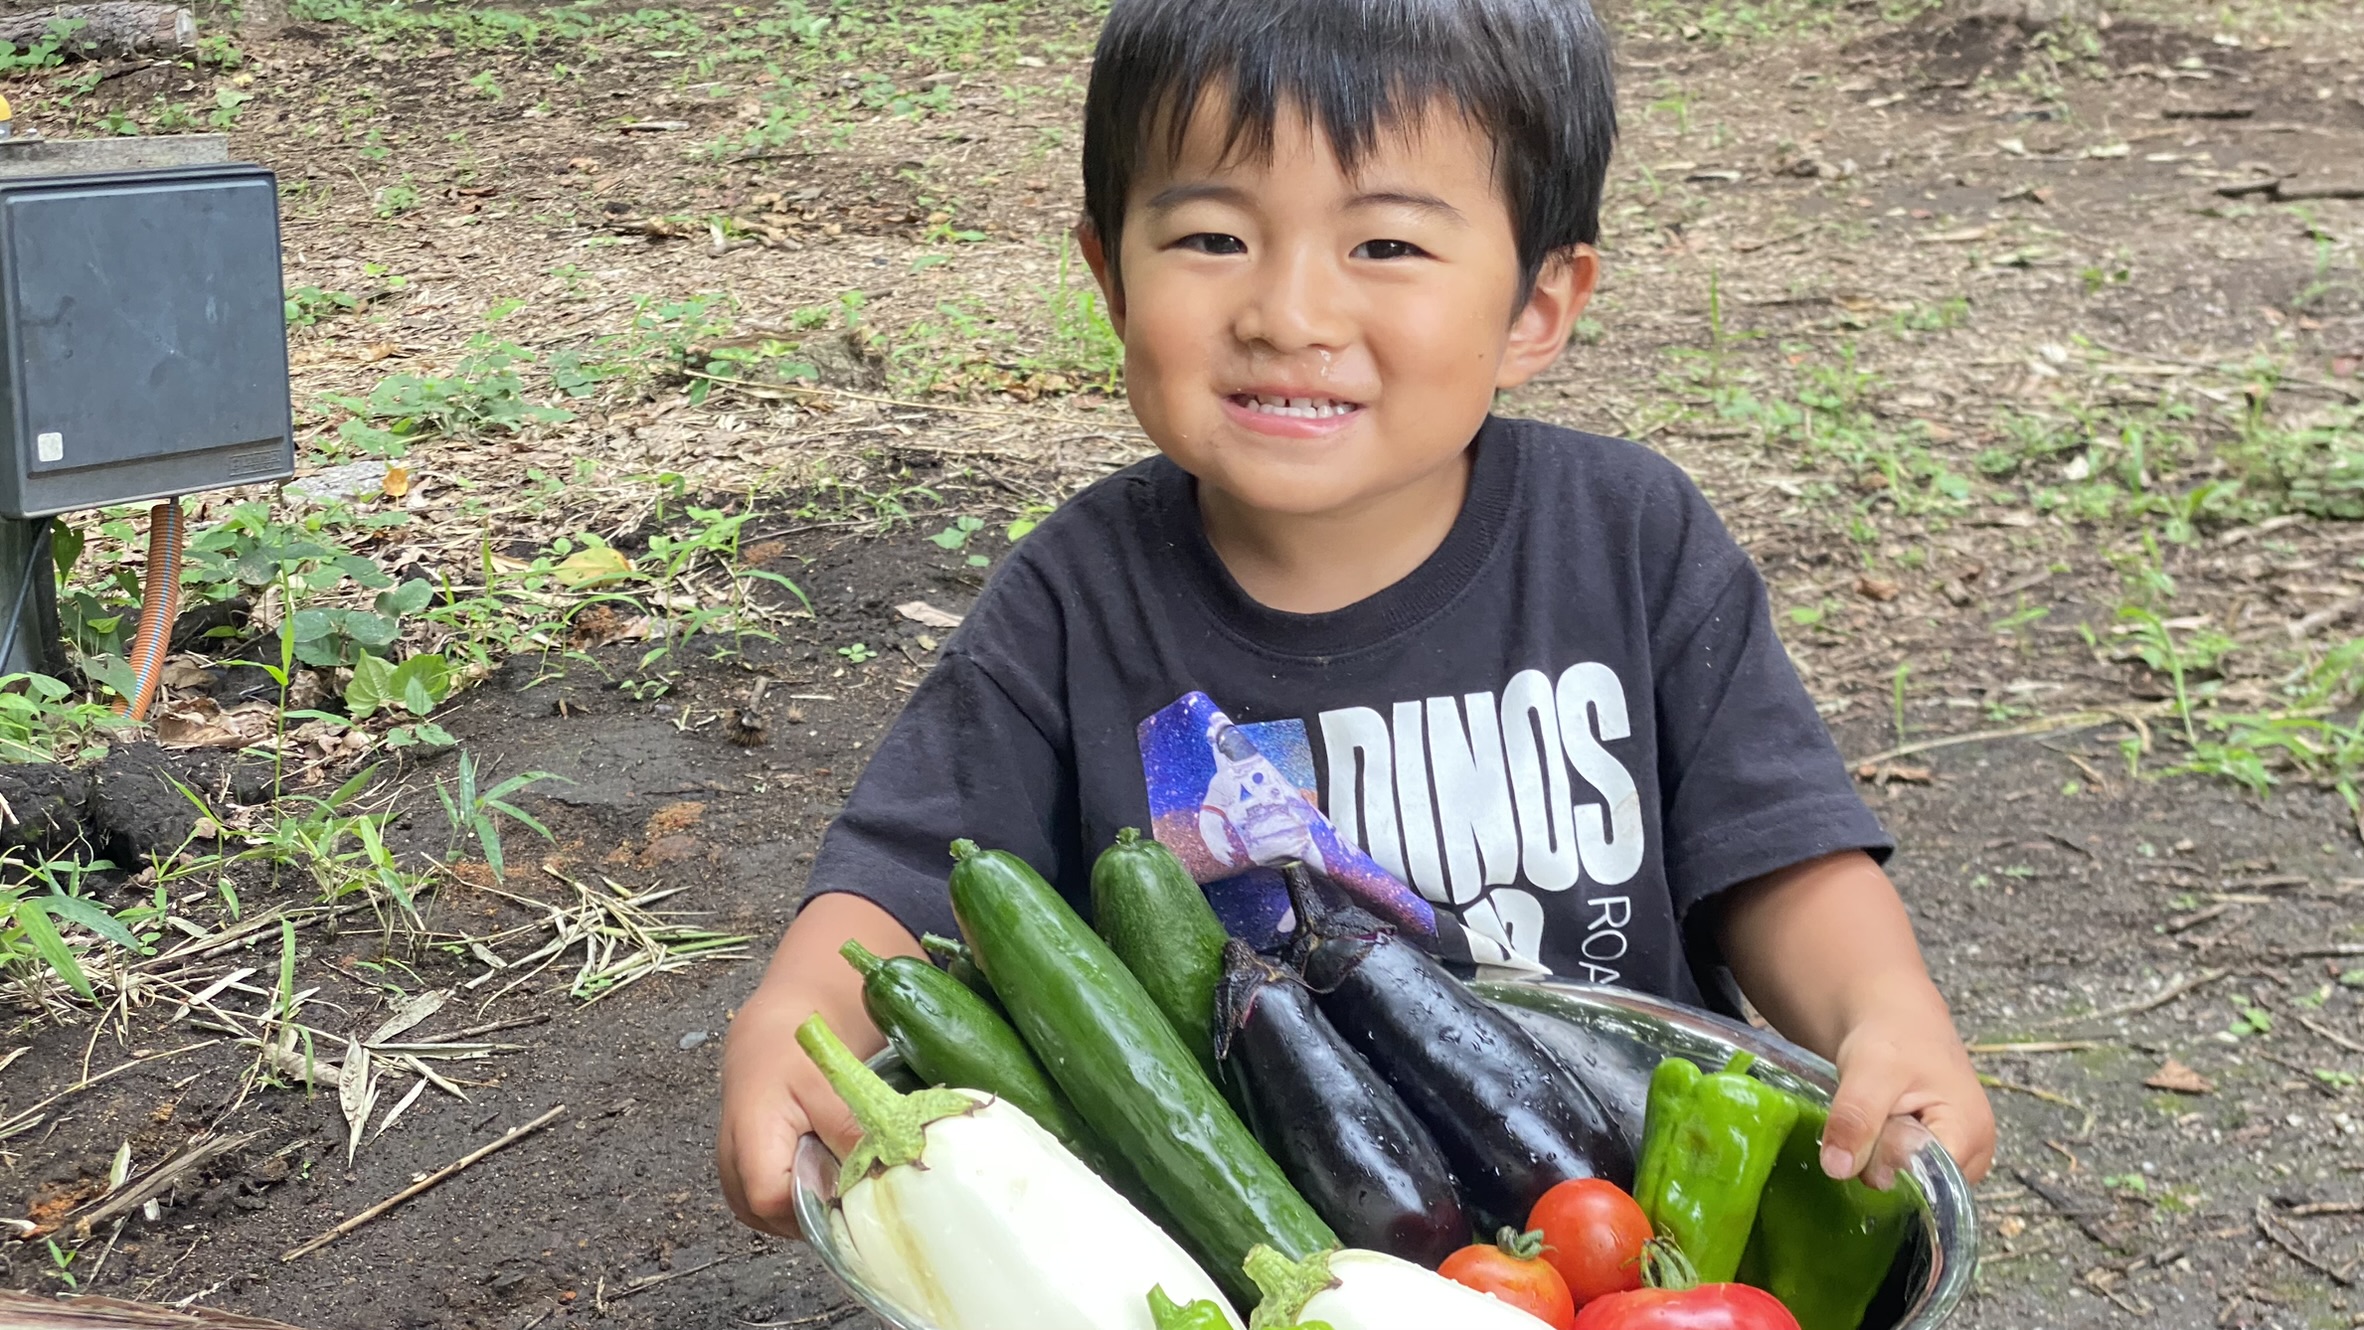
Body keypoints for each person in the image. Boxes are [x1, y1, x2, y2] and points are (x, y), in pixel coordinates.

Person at [719, 0, 1996, 1239]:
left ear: (1537, 305)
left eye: (1385, 244)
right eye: (1213, 237)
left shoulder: (1629, 540)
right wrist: (799, 1016)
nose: (1289, 314)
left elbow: (1776, 858)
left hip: (1628, 1231)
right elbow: (899, 882)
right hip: (1249, 1252)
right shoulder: (1072, 598)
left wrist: (1881, 1011)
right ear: (1109, 272)